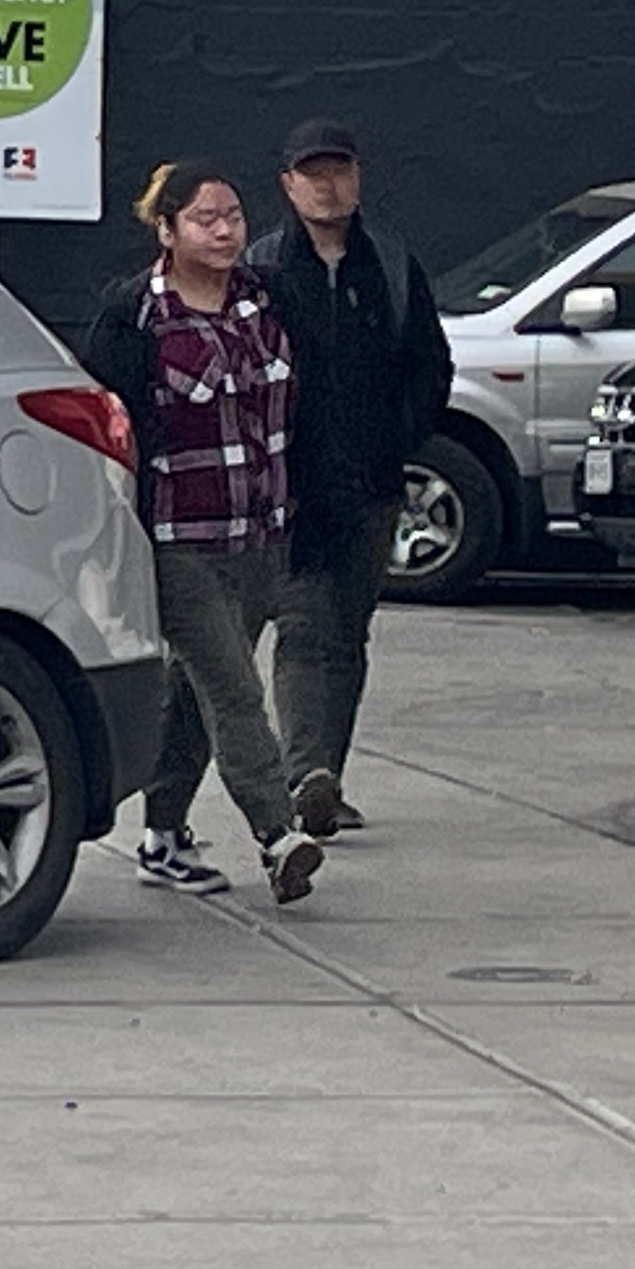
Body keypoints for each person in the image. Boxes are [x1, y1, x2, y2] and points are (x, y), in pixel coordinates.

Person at [79, 161, 323, 905]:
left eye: (234, 217)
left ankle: (161, 836)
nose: (223, 231)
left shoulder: (268, 301)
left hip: (261, 533)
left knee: (194, 695)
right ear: (167, 229)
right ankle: (279, 837)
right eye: (204, 219)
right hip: (179, 536)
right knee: (236, 689)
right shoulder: (135, 317)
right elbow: (108, 425)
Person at [245, 117, 450, 840]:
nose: (328, 186)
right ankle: (305, 775)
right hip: (294, 491)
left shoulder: (390, 265)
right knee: (302, 628)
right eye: (314, 173)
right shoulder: (264, 269)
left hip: (371, 486)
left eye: (340, 171)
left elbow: (430, 364)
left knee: (349, 634)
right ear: (288, 185)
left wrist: (398, 438)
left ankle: (327, 776)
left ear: (358, 179)